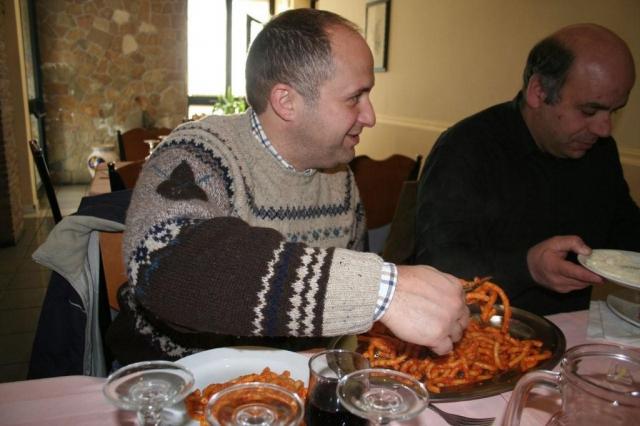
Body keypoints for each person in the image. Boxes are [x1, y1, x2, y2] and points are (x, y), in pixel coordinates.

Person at [106, 9, 468, 365]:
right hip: (173, 380)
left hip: (292, 380)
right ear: (286, 101)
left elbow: (342, 323)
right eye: (354, 97)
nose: (370, 116)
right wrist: (379, 289)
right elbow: (165, 264)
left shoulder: (340, 178)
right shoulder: (196, 153)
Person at [415, 23, 640, 316]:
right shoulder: (467, 148)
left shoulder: (600, 151)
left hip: (575, 326)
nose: (604, 128)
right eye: (589, 111)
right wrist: (528, 267)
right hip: (479, 327)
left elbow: (625, 231)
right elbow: (438, 265)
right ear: (538, 92)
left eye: (614, 111)